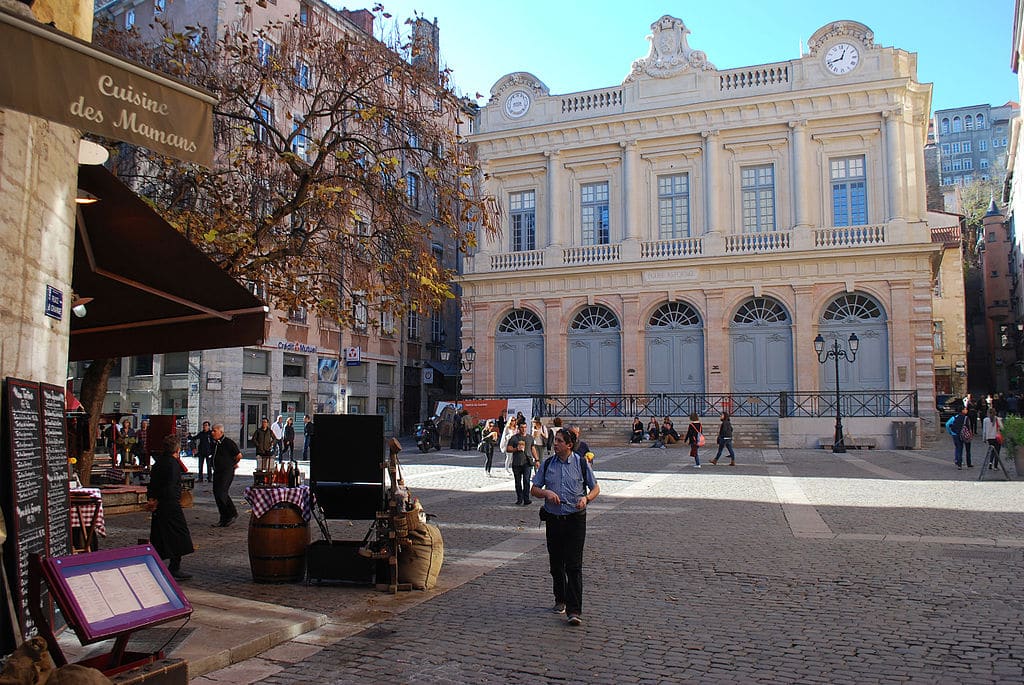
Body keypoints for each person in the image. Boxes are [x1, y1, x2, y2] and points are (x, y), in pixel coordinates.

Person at [530, 428, 599, 627]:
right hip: (554, 519)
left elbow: (595, 488)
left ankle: (574, 610)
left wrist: (586, 499)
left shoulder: (581, 463)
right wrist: (547, 494)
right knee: (556, 563)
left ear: (569, 445)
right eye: (556, 440)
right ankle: (560, 598)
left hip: (575, 519)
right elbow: (534, 489)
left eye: (560, 441)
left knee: (574, 565)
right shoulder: (548, 464)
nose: (556, 444)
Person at [146, 434, 194, 580]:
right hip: (169, 504)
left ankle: (157, 563)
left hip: (160, 504)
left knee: (160, 535)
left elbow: (153, 483)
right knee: (178, 535)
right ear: (177, 449)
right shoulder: (172, 464)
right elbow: (170, 486)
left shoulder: (159, 462)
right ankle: (174, 566)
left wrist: (152, 499)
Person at [211, 423, 242, 526]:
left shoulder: (228, 442)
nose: (212, 433)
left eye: (214, 431)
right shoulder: (215, 443)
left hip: (226, 472)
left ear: (221, 432)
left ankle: (231, 514)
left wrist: (232, 464)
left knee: (221, 492)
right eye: (212, 430)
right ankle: (224, 516)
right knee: (217, 493)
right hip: (217, 471)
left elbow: (239, 455)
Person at [506, 422, 539, 505]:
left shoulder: (530, 437)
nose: (523, 429)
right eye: (522, 427)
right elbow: (508, 448)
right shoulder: (514, 438)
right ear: (518, 428)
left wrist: (537, 459)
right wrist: (516, 449)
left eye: (525, 427)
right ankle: (519, 498)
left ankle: (526, 499)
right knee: (518, 482)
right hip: (517, 463)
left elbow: (533, 448)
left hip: (527, 462)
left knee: (526, 481)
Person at [946, 405, 972, 470]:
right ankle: (969, 463)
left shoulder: (954, 417)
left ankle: (959, 463)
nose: (966, 410)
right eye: (965, 409)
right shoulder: (966, 418)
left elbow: (947, 424)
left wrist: (950, 432)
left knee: (958, 448)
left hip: (956, 434)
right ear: (962, 410)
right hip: (965, 434)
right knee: (967, 449)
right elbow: (968, 427)